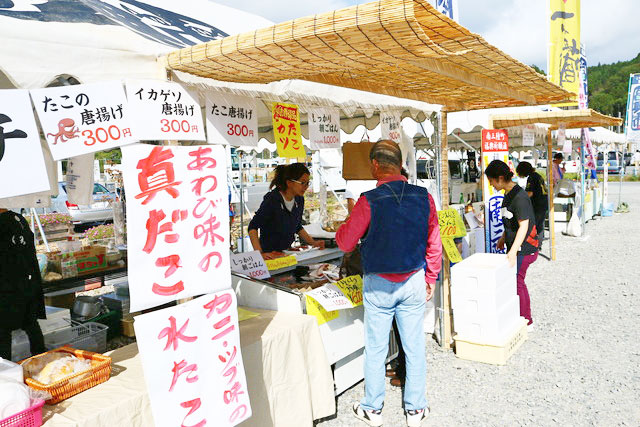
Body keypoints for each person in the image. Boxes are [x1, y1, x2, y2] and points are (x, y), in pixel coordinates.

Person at [336, 141, 442, 427]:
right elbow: (434, 243)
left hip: (379, 283)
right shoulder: (425, 197)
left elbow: (345, 242)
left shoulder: (368, 199)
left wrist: (344, 225)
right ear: (401, 164)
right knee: (414, 345)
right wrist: (431, 276)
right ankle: (416, 410)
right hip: (414, 279)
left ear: (374, 166)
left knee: (376, 347)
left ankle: (372, 409)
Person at [485, 160, 538, 329]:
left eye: (492, 181)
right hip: (515, 246)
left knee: (517, 281)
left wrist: (513, 250)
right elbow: (511, 221)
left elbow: (524, 225)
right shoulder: (508, 194)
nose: (491, 185)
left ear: (500, 178)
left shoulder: (519, 197)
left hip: (525, 248)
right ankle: (518, 315)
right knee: (514, 281)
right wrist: (503, 238)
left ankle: (526, 320)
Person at [248, 163, 325, 260]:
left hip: (287, 253)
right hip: (269, 254)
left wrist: (313, 243)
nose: (306, 187)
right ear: (289, 183)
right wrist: (260, 254)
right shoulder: (272, 199)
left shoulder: (299, 200)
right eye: (302, 183)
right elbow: (253, 227)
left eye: (307, 183)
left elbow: (297, 226)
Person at [0, 209, 46, 360]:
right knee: (30, 322)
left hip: (6, 286)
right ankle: (42, 358)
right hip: (26, 281)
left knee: (3, 331)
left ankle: (5, 371)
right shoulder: (19, 219)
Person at [516, 162, 549, 246]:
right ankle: (539, 243)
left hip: (537, 204)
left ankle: (535, 244)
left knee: (535, 225)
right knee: (540, 225)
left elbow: (530, 193)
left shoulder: (531, 178)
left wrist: (519, 197)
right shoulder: (537, 175)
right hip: (543, 203)